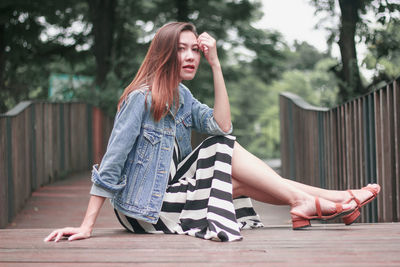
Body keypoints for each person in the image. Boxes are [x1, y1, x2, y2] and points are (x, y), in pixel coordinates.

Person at [44, 22, 380, 242]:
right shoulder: (140, 99)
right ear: (164, 54)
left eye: (195, 50)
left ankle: (334, 199)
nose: (191, 56)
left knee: (234, 175)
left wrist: (217, 64)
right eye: (181, 49)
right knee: (220, 148)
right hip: (144, 211)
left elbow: (222, 125)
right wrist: (87, 225)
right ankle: (316, 202)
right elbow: (112, 161)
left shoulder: (183, 97)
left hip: (171, 196)